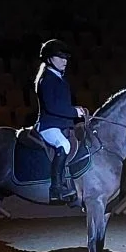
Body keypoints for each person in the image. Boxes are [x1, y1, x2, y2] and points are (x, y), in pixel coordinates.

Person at [33, 38, 84, 201]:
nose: (65, 61)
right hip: (49, 126)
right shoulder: (47, 79)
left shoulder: (60, 78)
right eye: (60, 57)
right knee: (64, 144)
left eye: (66, 58)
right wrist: (75, 112)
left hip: (61, 124)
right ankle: (56, 188)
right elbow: (52, 107)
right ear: (49, 59)